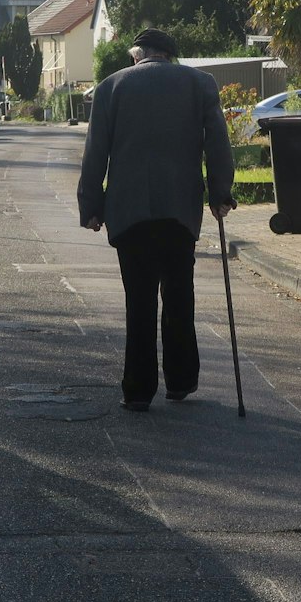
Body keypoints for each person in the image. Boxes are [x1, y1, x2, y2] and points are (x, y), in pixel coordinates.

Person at [78, 28, 235, 411]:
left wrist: (92, 206)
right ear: (171, 56)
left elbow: (95, 151)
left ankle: (137, 390)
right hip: (180, 210)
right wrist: (220, 194)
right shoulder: (199, 84)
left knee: (139, 300)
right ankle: (180, 382)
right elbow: (217, 143)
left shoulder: (110, 87)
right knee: (180, 294)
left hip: (128, 212)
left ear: (137, 56)